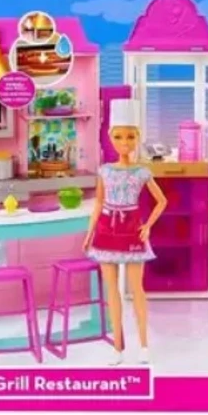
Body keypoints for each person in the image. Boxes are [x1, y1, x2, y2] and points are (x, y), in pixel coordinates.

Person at [83, 100, 167, 365]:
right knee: (111, 290)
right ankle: (117, 348)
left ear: (137, 138)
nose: (125, 143)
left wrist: (148, 225)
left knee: (137, 289)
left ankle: (144, 346)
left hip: (132, 229)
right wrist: (89, 232)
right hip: (106, 230)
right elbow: (99, 202)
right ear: (111, 139)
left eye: (130, 137)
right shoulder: (105, 171)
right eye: (119, 137)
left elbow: (162, 201)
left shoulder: (142, 171)